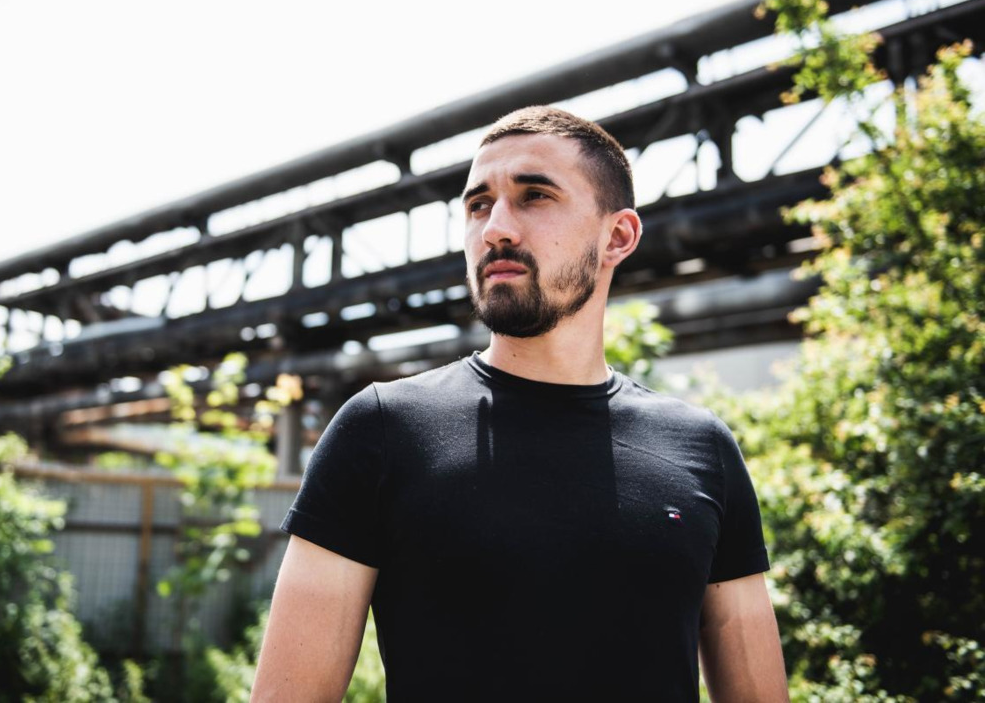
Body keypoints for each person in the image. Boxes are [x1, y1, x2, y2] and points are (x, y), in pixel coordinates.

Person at [251, 106, 789, 702]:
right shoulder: (382, 430)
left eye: (534, 196)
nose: (496, 229)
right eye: (478, 205)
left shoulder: (702, 447)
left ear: (617, 237)